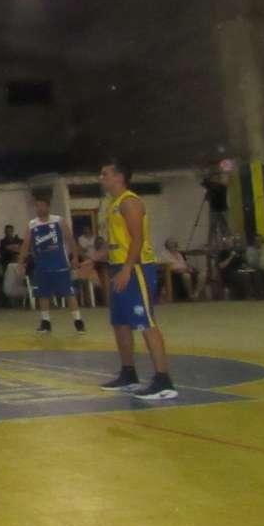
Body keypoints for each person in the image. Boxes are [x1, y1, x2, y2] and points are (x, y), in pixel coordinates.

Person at [93, 159, 177, 400]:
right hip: (118, 267)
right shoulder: (113, 204)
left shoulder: (130, 202)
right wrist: (93, 260)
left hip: (136, 268)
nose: (101, 178)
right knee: (120, 322)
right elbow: (114, 243)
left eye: (105, 174)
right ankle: (128, 374)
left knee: (145, 322)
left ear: (119, 177)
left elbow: (137, 239)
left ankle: (164, 381)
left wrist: (128, 268)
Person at [21, 195, 86, 335]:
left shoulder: (58, 221)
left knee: (68, 293)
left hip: (59, 264)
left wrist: (75, 257)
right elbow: (25, 244)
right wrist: (21, 263)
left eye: (41, 205)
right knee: (43, 294)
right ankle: (45, 323)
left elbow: (70, 239)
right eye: (37, 206)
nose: (39, 208)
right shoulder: (32, 224)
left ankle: (78, 321)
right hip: (42, 266)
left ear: (48, 206)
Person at [202, 167, 231, 247]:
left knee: (223, 227)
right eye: (213, 179)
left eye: (216, 178)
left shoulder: (222, 187)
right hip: (214, 210)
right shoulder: (211, 188)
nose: (214, 180)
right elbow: (207, 198)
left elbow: (207, 184)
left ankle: (225, 243)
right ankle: (213, 243)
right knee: (213, 226)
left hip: (222, 209)